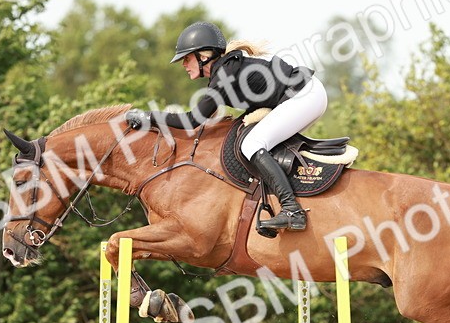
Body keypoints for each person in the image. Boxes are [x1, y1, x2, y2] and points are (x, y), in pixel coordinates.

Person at [125, 22, 327, 231]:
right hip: (303, 95)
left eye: (187, 58)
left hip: (305, 96)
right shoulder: (225, 71)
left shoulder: (223, 76)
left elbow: (192, 120)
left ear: (203, 56)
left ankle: (292, 210)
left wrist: (148, 116)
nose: (184, 65)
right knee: (249, 138)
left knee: (252, 144)